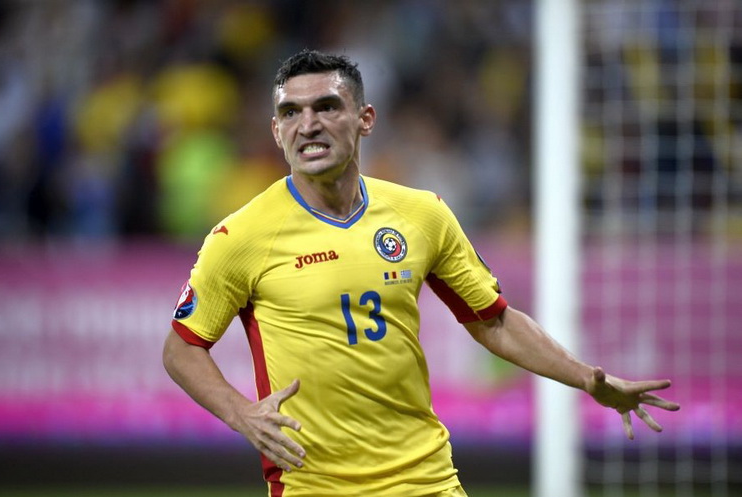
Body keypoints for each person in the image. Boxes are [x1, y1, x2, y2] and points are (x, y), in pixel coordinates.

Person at [162, 49, 680, 497]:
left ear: (365, 118)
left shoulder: (421, 214)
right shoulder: (242, 235)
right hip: (315, 483)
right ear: (277, 131)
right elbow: (182, 348)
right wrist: (241, 413)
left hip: (426, 479)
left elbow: (494, 321)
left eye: (327, 106)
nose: (308, 124)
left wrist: (588, 379)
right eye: (290, 112)